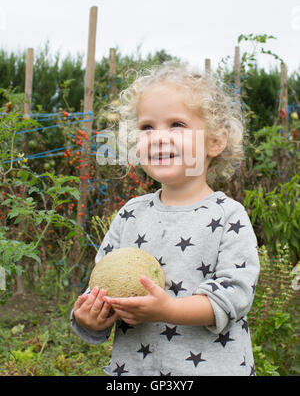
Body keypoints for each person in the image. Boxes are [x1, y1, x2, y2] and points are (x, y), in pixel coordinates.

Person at [70, 63, 260, 376]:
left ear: (215, 142)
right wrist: (90, 318)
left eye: (176, 124)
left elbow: (235, 296)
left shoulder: (228, 216)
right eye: (147, 127)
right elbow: (101, 287)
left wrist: (169, 310)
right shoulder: (130, 214)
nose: (159, 138)